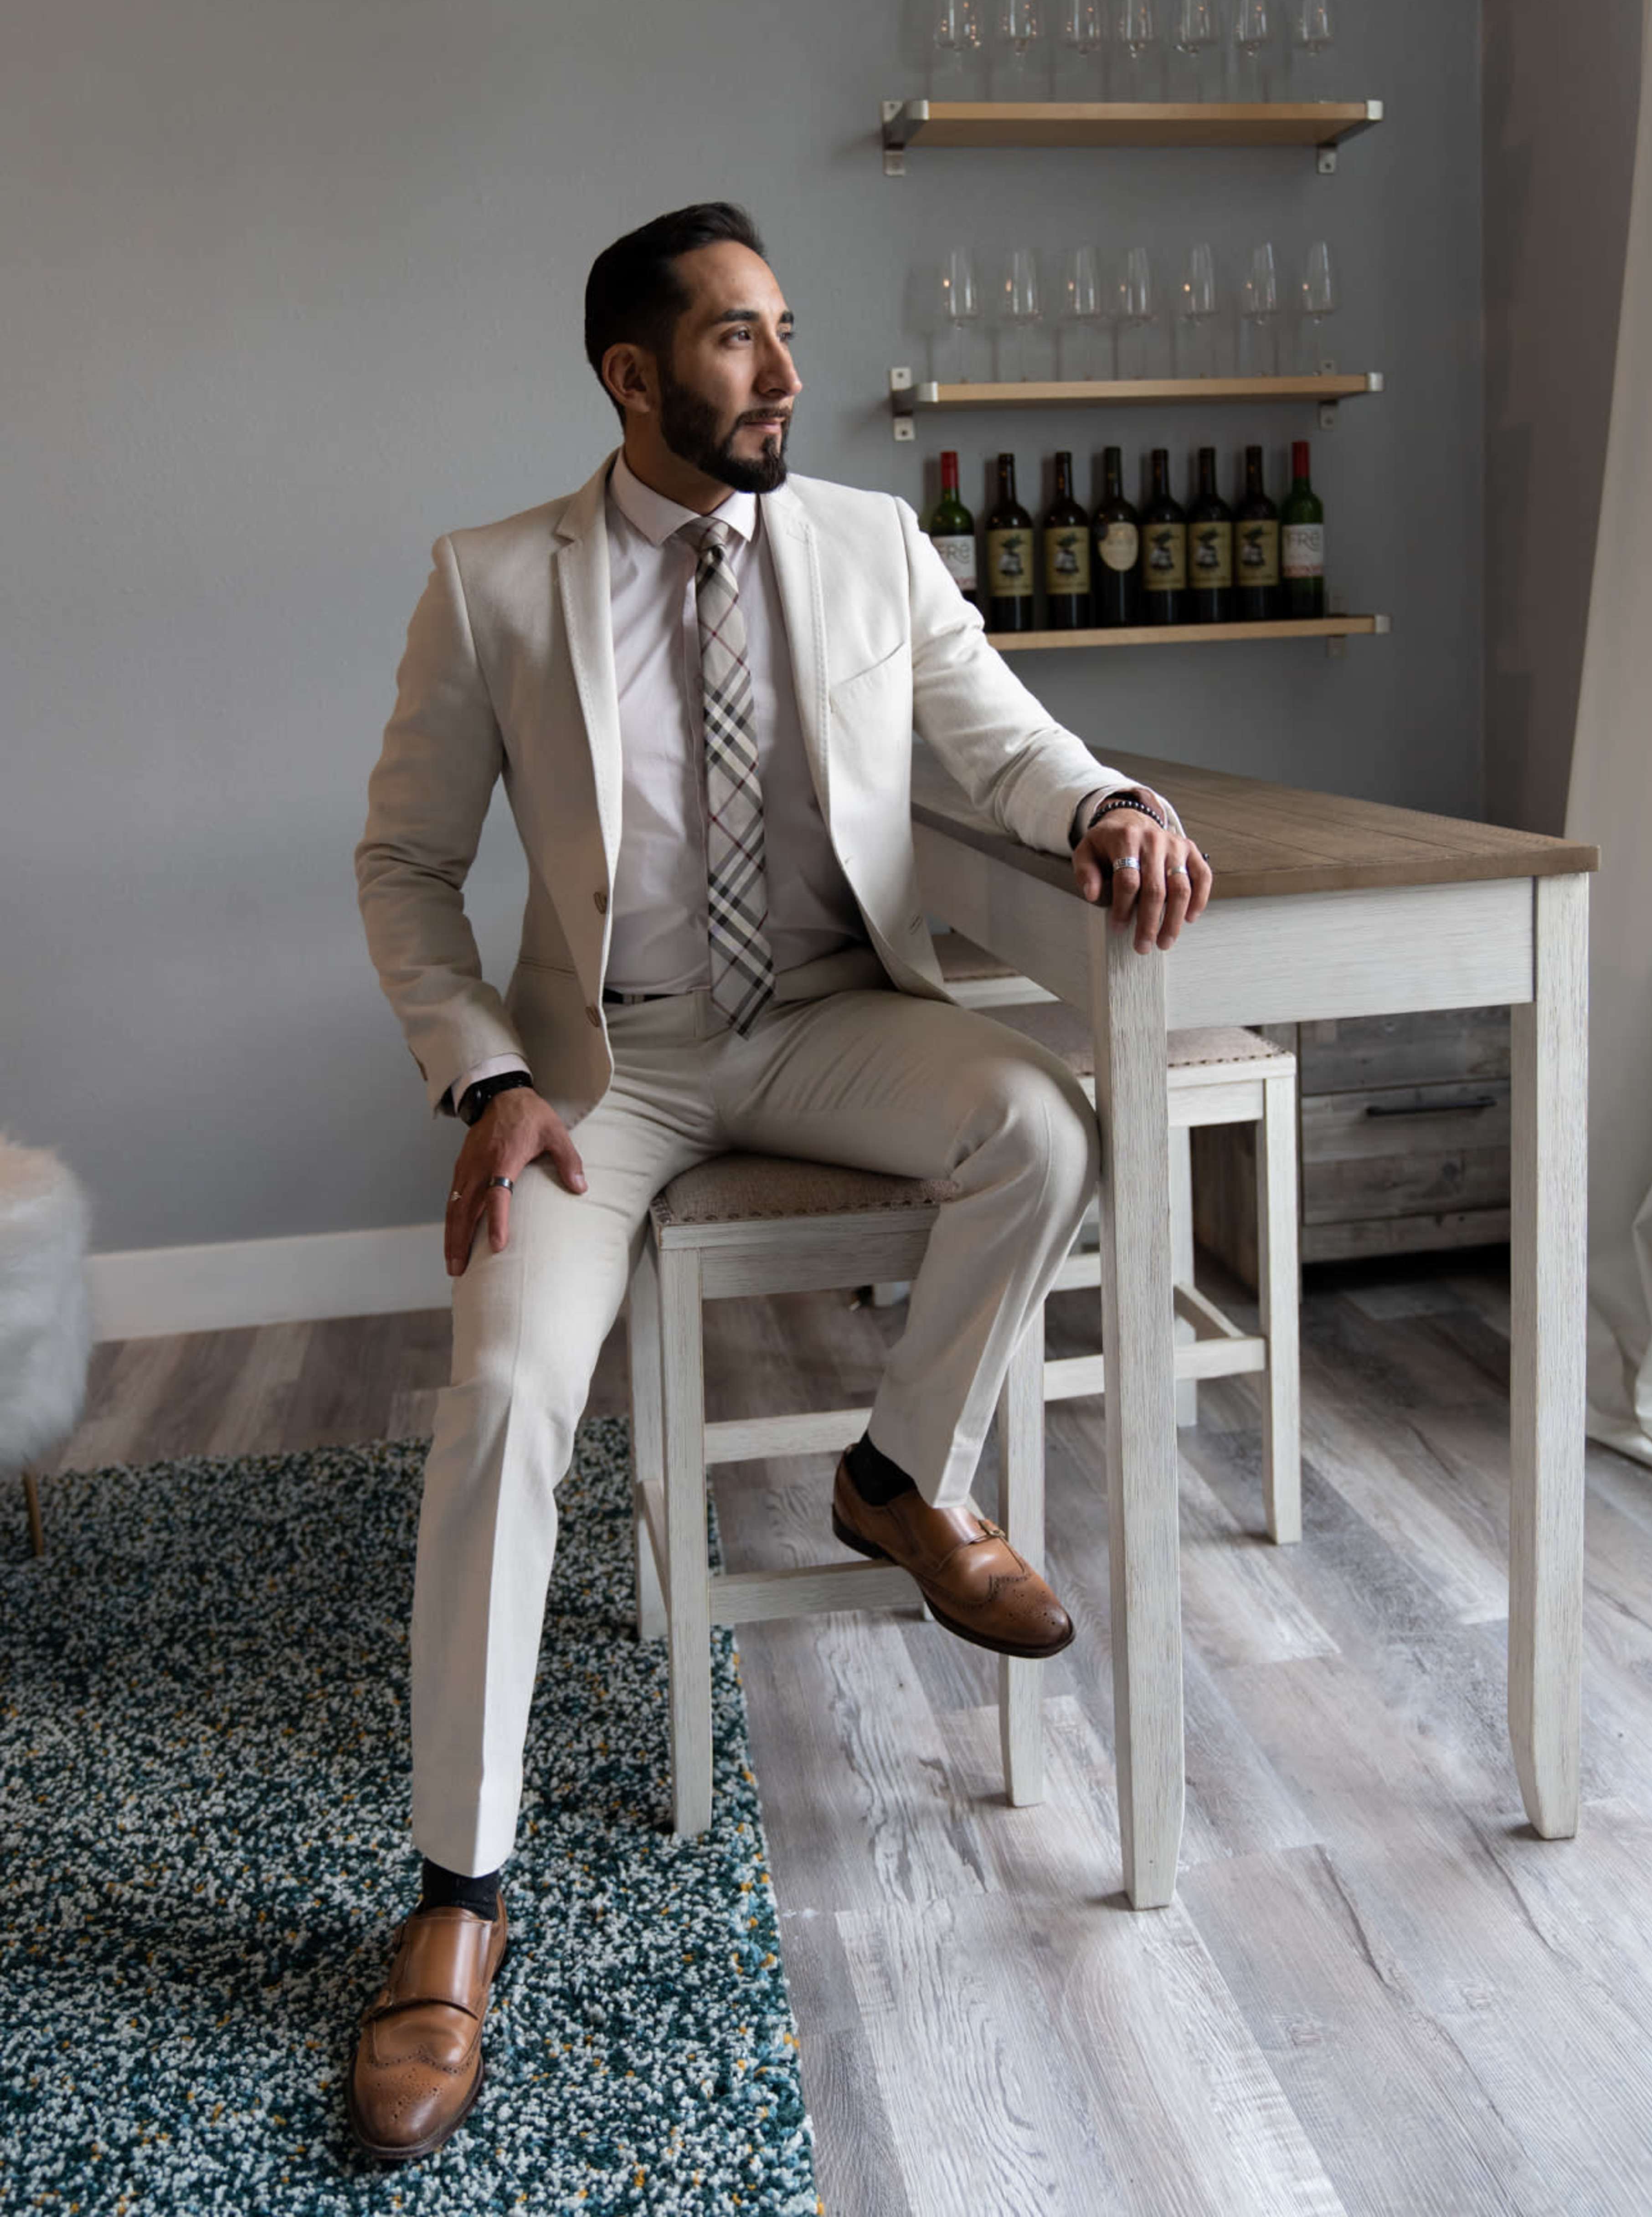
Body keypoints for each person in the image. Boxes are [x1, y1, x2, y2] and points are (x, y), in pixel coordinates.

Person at [346, 201, 1211, 2161]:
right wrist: (483, 1075)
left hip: (826, 1013)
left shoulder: (867, 544)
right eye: (738, 340)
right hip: (599, 1068)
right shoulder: (493, 584)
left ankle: (900, 1474)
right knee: (495, 1402)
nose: (788, 374)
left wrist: (1105, 801)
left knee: (1045, 1126)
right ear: (632, 376)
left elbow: (994, 735)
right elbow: (402, 869)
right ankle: (455, 1902)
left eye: (788, 330)